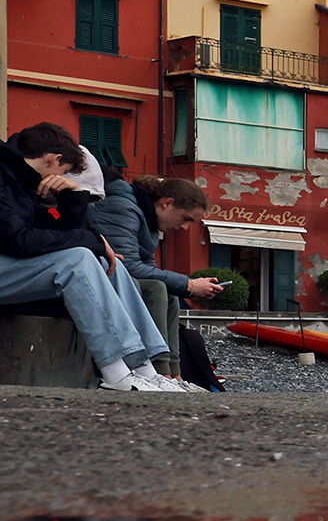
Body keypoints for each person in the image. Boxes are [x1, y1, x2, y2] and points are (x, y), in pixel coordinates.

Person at [0, 124, 188, 391]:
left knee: (108, 263)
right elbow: (18, 240)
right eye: (63, 171)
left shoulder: (23, 179)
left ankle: (145, 368)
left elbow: (54, 234)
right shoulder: (5, 176)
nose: (60, 177)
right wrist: (92, 241)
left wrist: (72, 197)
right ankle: (115, 373)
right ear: (52, 159)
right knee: (78, 259)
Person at [89, 174, 225, 390]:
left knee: (168, 292)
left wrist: (185, 286)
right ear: (167, 203)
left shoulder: (149, 218)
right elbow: (127, 266)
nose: (184, 228)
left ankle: (173, 376)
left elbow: (147, 269)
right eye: (186, 219)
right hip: (98, 278)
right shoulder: (123, 209)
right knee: (156, 289)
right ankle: (157, 371)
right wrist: (189, 285)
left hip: (115, 278)